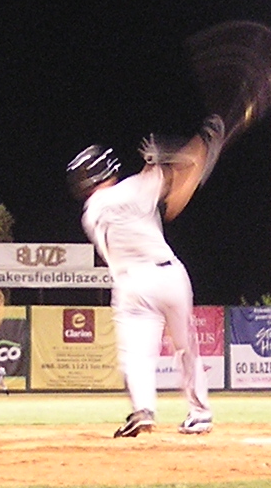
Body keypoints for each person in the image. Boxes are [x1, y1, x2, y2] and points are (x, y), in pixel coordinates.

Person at [68, 141, 211, 437]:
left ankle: (143, 409)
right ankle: (199, 414)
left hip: (130, 284)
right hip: (168, 275)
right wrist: (186, 152)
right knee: (186, 350)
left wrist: (161, 163)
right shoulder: (134, 187)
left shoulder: (90, 213)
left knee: (136, 355)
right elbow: (179, 192)